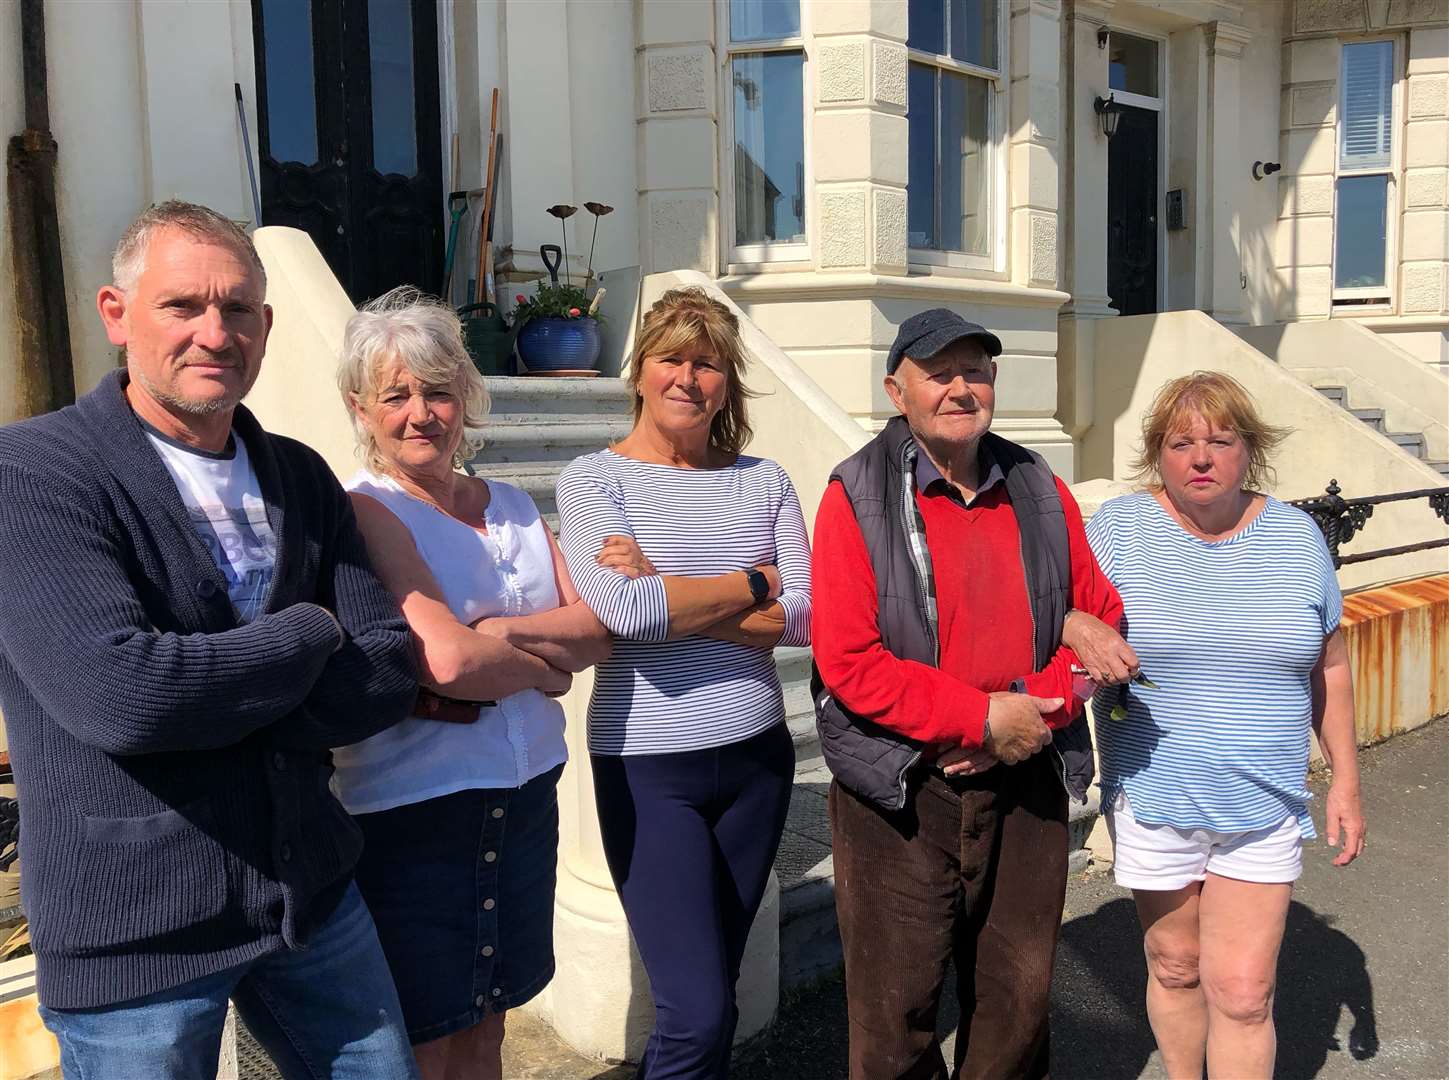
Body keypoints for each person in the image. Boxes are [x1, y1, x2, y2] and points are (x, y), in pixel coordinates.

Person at [0, 201, 421, 1079]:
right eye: (182, 306)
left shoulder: (299, 473)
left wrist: (216, 691)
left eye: (236, 310)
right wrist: (310, 630)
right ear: (116, 314)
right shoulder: (34, 472)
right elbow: (122, 696)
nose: (214, 332)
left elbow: (383, 673)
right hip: (133, 929)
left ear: (265, 325)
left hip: (308, 895)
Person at [811, 307, 1127, 1080]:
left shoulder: (1038, 486)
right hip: (901, 790)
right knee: (895, 1020)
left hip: (1024, 781)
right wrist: (978, 718)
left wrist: (1032, 709)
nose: (960, 388)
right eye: (939, 372)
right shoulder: (853, 493)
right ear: (897, 389)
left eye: (975, 371)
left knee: (1016, 1005)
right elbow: (848, 658)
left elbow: (1102, 619)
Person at [334, 288, 610, 1080]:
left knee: (489, 1023)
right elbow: (443, 663)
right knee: (425, 1036)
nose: (421, 413)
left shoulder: (517, 504)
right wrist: (542, 672)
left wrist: (498, 639)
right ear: (362, 407)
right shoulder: (370, 508)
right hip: (421, 812)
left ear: (466, 399)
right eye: (396, 395)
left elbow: (592, 628)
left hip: (525, 795)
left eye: (438, 390)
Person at [1072, 371, 1366, 1080]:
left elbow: (1327, 665)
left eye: (1218, 441)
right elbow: (1054, 612)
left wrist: (1346, 783)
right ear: (1157, 454)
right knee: (1174, 966)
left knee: (1242, 992)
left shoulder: (1297, 537)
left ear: (1247, 450)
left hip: (1263, 803)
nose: (1199, 458)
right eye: (1180, 443)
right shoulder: (1114, 531)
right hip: (1155, 794)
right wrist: (1073, 624)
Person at [555, 287, 811, 1079]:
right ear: (639, 371)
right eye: (671, 357)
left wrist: (672, 588)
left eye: (707, 364)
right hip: (646, 770)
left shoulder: (763, 481)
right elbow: (625, 614)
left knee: (716, 998)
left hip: (756, 763)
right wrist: (752, 580)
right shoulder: (595, 481)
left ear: (726, 382)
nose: (687, 378)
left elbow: (804, 617)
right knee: (695, 1014)